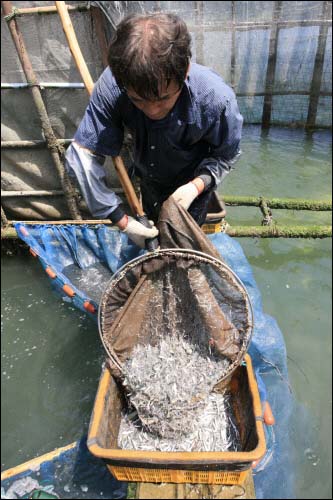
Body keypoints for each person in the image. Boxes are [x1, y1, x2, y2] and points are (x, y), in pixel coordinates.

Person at [65, 12, 243, 248]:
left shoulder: (216, 99)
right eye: (138, 100)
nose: (152, 110)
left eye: (163, 99)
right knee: (151, 237)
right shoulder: (112, 85)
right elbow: (81, 157)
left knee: (185, 244)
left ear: (185, 71)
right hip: (148, 174)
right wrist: (122, 220)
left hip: (193, 183)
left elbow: (225, 154)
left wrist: (196, 186)